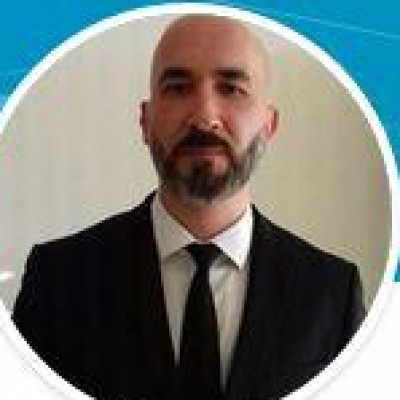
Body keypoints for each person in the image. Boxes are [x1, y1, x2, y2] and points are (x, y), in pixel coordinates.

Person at [13, 14, 365, 400]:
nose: (204, 117)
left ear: (269, 125)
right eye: (178, 88)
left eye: (231, 88)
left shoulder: (333, 293)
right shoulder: (57, 280)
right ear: (145, 121)